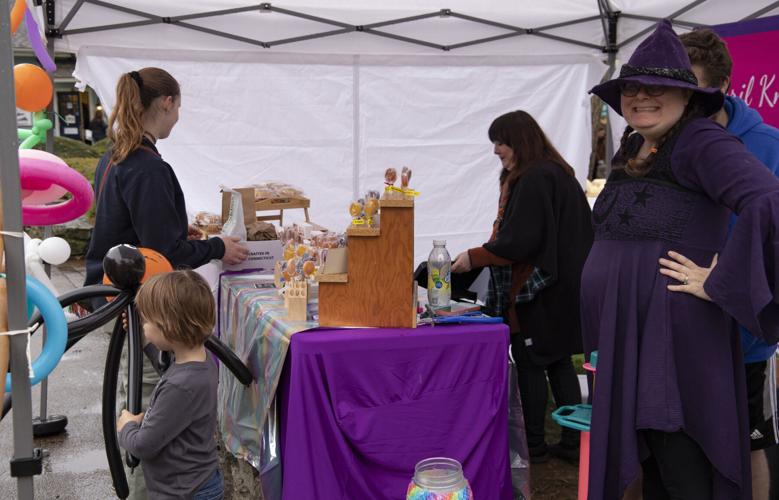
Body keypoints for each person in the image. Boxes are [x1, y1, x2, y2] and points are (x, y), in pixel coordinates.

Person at [585, 20, 779, 499]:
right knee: (652, 464)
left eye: (659, 88)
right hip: (632, 331)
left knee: (682, 462)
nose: (642, 96)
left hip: (674, 338)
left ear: (688, 96)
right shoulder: (636, 144)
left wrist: (722, 280)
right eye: (632, 87)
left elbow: (768, 200)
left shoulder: (701, 142)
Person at [84, 67, 247, 499]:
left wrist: (182, 232)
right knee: (153, 398)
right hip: (145, 305)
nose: (178, 119)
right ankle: (147, 488)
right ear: (167, 103)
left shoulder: (118, 155)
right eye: (179, 109)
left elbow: (146, 233)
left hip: (125, 297)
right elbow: (163, 251)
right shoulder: (147, 167)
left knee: (143, 396)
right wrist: (216, 247)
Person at [450, 110, 594, 463]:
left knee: (531, 362)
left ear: (519, 141)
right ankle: (574, 445)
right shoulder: (553, 172)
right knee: (557, 360)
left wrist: (475, 256)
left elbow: (520, 240)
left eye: (501, 141)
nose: (496, 149)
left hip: (539, 290)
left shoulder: (535, 177)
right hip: (564, 286)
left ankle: (534, 446)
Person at [680, 28, 779, 500]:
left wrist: (725, 282)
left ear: (721, 88)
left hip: (741, 333)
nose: (682, 98)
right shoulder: (659, 141)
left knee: (749, 442)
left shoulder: (768, 145)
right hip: (676, 329)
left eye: (694, 87)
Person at [117, 270, 223, 500]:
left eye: (146, 321)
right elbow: (168, 368)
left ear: (168, 326)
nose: (143, 324)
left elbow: (143, 445)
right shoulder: (198, 362)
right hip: (196, 482)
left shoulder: (181, 387)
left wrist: (126, 427)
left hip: (184, 491)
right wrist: (143, 339)